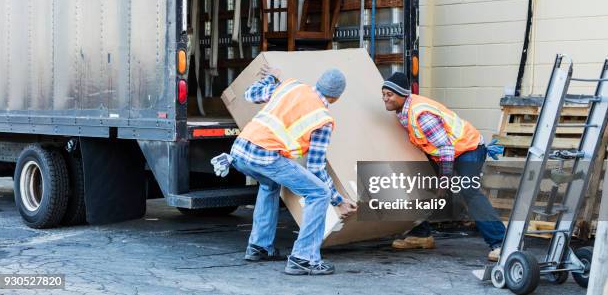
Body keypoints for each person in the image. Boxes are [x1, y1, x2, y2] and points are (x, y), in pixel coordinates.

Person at [211, 65, 357, 275]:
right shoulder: (323, 119)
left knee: (269, 183)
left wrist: (270, 78)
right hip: (265, 157)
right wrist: (338, 200)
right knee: (319, 193)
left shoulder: (290, 86)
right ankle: (303, 258)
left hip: (240, 150)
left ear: (318, 83)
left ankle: (259, 247)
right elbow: (315, 167)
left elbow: (250, 94)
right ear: (336, 97)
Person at [380, 72, 505, 261]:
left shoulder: (421, 114)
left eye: (389, 94)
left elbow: (446, 148)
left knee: (468, 190)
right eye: (383, 94)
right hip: (445, 152)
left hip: (467, 148)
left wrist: (444, 180)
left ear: (402, 95)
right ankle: (421, 235)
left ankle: (501, 244)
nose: (385, 98)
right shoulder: (402, 111)